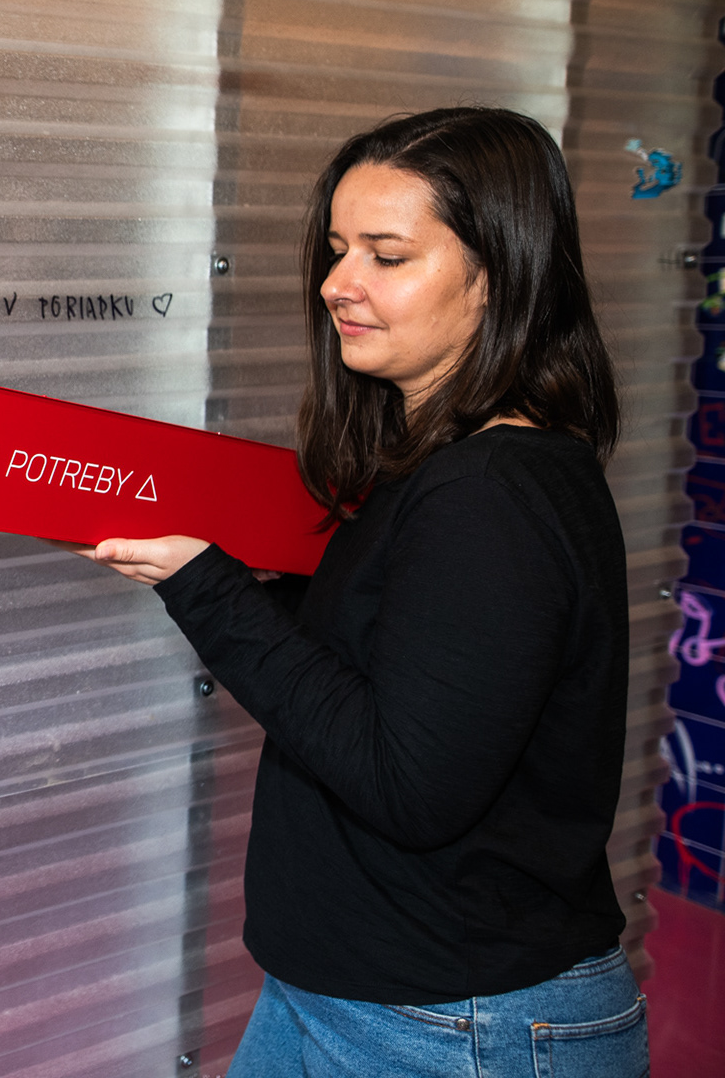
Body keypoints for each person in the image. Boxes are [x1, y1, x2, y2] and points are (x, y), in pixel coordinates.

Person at [62, 108, 648, 1076]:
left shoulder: (489, 495)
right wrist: (223, 571)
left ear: (499, 275)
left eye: (388, 254)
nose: (339, 282)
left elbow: (407, 785)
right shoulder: (448, 468)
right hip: (352, 993)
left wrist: (206, 587)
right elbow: (379, 674)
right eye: (338, 249)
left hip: (454, 1025)